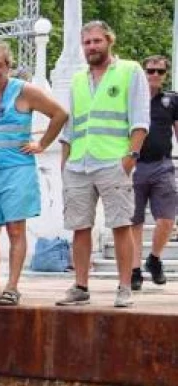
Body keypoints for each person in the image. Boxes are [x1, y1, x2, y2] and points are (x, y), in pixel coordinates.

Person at [57, 21, 150, 308]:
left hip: (113, 161)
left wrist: (130, 158)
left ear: (109, 40)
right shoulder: (77, 80)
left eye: (97, 41)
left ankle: (124, 287)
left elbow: (139, 120)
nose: (92, 47)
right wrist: (65, 162)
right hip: (78, 163)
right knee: (79, 226)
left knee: (121, 224)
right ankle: (81, 286)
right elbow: (71, 126)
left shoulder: (130, 71)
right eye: (87, 43)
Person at [0, 41, 69, 305]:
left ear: (9, 66)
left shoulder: (24, 91)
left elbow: (60, 114)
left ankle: (12, 286)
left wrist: (42, 144)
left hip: (16, 169)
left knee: (16, 229)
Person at [131, 55, 178, 288]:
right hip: (135, 165)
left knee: (168, 219)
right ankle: (134, 270)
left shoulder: (172, 100)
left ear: (165, 75)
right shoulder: (131, 99)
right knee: (134, 221)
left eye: (160, 72)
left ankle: (154, 259)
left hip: (162, 165)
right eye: (150, 71)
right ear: (143, 72)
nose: (155, 76)